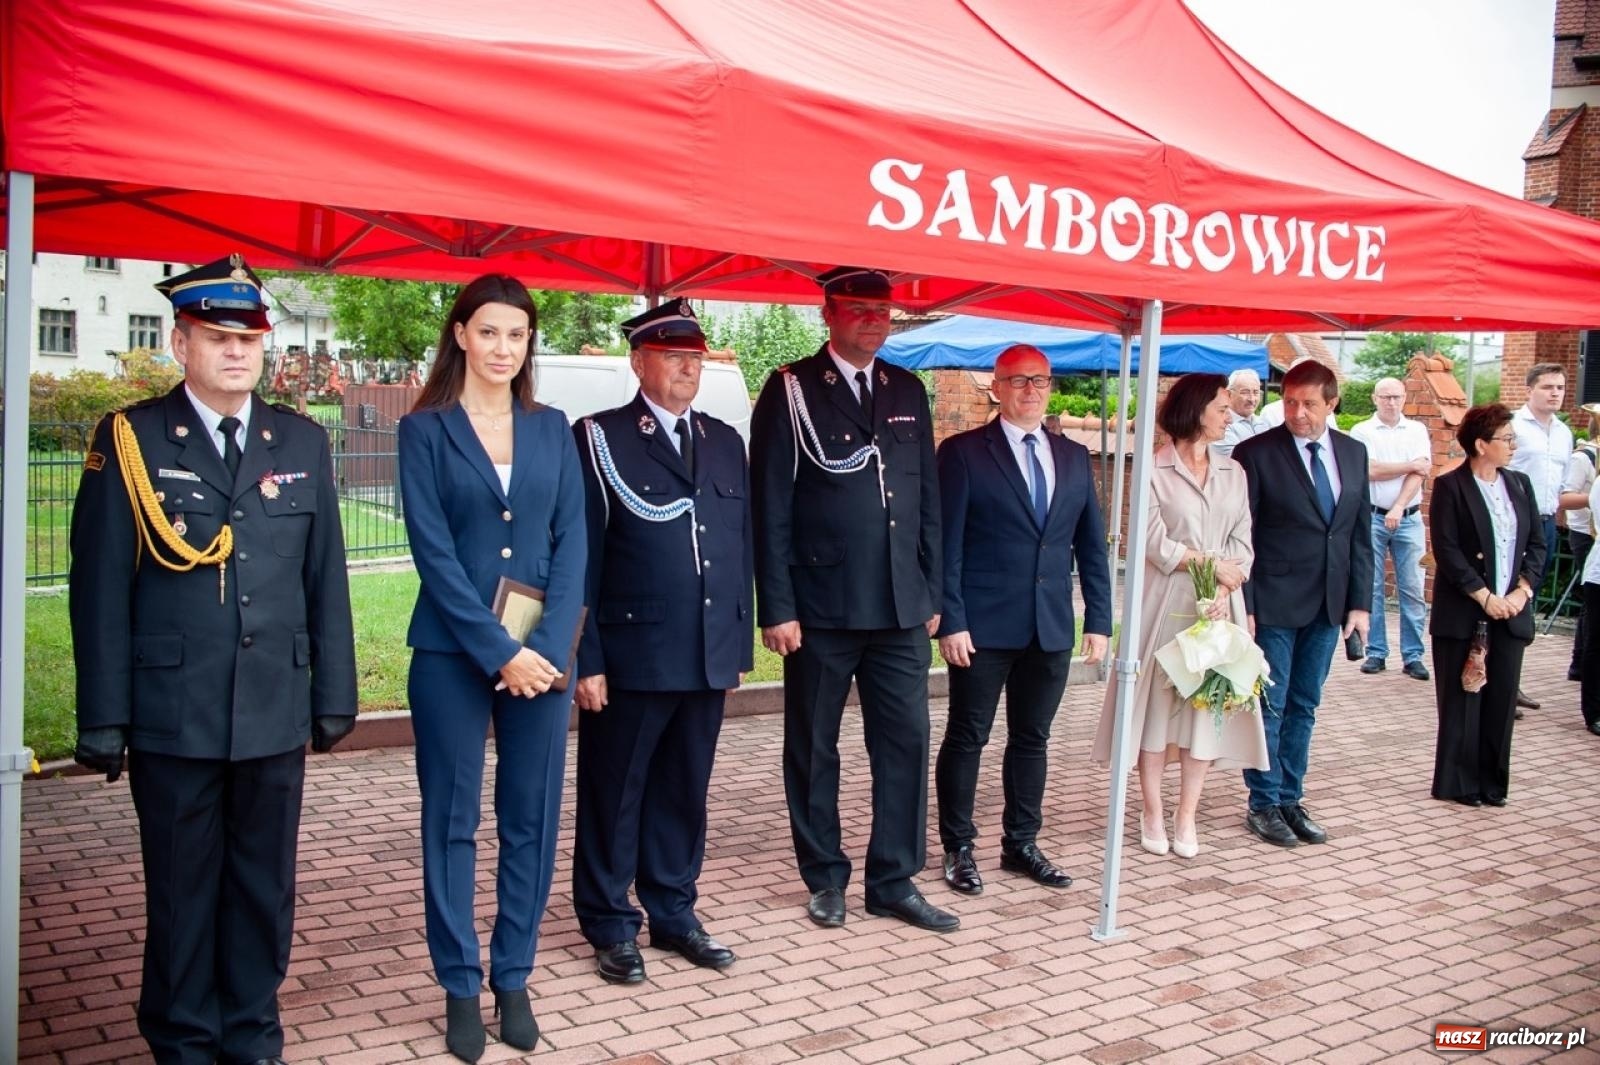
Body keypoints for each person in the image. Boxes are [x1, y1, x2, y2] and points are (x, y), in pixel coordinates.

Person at [69, 254, 357, 1065]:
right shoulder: (131, 439)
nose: (237, 352)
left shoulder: (299, 438)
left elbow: (324, 575)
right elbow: (96, 589)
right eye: (218, 337)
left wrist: (333, 691)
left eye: (250, 338)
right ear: (179, 342)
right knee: (183, 892)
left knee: (264, 889)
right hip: (175, 713)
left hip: (270, 708)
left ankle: (252, 1033)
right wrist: (103, 713)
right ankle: (185, 1040)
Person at [398, 275, 587, 1062]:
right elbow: (433, 555)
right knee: (451, 822)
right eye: (490, 333)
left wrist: (541, 653)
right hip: (452, 653)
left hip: (541, 661)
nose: (504, 348)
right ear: (460, 334)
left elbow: (575, 541)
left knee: (530, 822)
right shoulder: (425, 431)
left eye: (518, 335)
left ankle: (513, 972)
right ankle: (458, 980)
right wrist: (498, 650)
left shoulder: (553, 428)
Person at [750, 266, 955, 933]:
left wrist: (931, 591)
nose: (874, 319)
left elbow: (926, 500)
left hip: (899, 604)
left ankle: (893, 878)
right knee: (814, 744)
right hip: (822, 604)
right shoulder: (792, 389)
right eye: (860, 308)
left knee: (906, 741)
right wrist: (776, 605)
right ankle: (825, 876)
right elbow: (771, 504)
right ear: (828, 313)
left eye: (883, 310)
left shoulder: (906, 389)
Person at [570, 301, 752, 985]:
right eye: (673, 355)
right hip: (632, 653)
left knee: (684, 788)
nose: (686, 367)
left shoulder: (724, 440)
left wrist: (738, 639)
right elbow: (581, 556)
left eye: (696, 356)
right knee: (616, 793)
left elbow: (740, 547)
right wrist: (585, 657)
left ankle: (674, 908)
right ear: (638, 360)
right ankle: (610, 920)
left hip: (705, 647)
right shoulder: (600, 437)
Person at [934, 345, 1111, 895]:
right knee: (969, 735)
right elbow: (946, 546)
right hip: (982, 626)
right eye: (1017, 381)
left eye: (1039, 381)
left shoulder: (1075, 457)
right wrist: (951, 620)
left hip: (1050, 625)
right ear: (996, 387)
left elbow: (1091, 547)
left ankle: (1021, 843)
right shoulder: (963, 453)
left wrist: (1099, 620)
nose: (1029, 390)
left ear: (1050, 386)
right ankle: (958, 848)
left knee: (1032, 737)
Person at [1091, 373, 1267, 859]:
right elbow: (1152, 544)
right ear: (1195, 410)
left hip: (1220, 606)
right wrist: (1211, 564)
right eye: (1221, 408)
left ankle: (1186, 814)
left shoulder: (1236, 473)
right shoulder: (1151, 469)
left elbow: (1244, 544)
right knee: (1156, 712)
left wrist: (1230, 581)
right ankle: (1150, 808)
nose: (1229, 416)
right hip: (1165, 605)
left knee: (1204, 712)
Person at [1232, 360, 1371, 848]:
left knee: (1305, 705)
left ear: (1332, 404)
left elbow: (1357, 533)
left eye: (1309, 403)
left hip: (1329, 603)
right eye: (1290, 401)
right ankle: (1264, 801)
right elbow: (1240, 534)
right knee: (1270, 703)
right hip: (1272, 599)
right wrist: (1244, 602)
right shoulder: (1256, 453)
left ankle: (1291, 795)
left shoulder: (1354, 453)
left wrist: (1361, 603)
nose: (1297, 412)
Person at [1429, 405, 1546, 805]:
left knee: (1500, 701)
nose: (1513, 446)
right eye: (1506, 439)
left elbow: (1537, 545)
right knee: (1463, 699)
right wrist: (1484, 597)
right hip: (1466, 611)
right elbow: (1447, 550)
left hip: (1511, 611)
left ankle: (1492, 783)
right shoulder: (1451, 487)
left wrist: (1520, 593)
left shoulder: (1520, 484)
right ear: (1481, 445)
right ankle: (1460, 785)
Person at [1349, 378, 1432, 680]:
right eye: (1385, 397)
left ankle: (1413, 655)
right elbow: (1368, 470)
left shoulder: (1417, 430)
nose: (1391, 402)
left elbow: (1421, 471)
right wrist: (1408, 465)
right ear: (1374, 398)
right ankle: (1376, 651)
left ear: (1405, 397)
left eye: (1396, 396)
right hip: (1371, 516)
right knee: (1372, 587)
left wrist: (1398, 505)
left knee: (1412, 587)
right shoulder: (1362, 431)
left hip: (1407, 516)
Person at [1506, 363, 1573, 711]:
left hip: (1544, 525)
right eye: (1548, 387)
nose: (1555, 393)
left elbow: (1559, 486)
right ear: (1529, 389)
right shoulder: (1513, 428)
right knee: (1507, 599)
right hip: (1514, 524)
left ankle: (1511, 681)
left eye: (1560, 387)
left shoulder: (1563, 433)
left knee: (1526, 601)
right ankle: (1500, 682)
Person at [1558, 406, 1600, 682]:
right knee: (1591, 602)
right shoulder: (1584, 457)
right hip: (1585, 531)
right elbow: (1564, 498)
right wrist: (1594, 497)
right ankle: (1579, 664)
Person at [1215, 368, 1266, 456]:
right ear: (1229, 394)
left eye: (1256, 392)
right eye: (1245, 392)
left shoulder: (1263, 422)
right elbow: (1239, 459)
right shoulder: (1221, 425)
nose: (1252, 399)